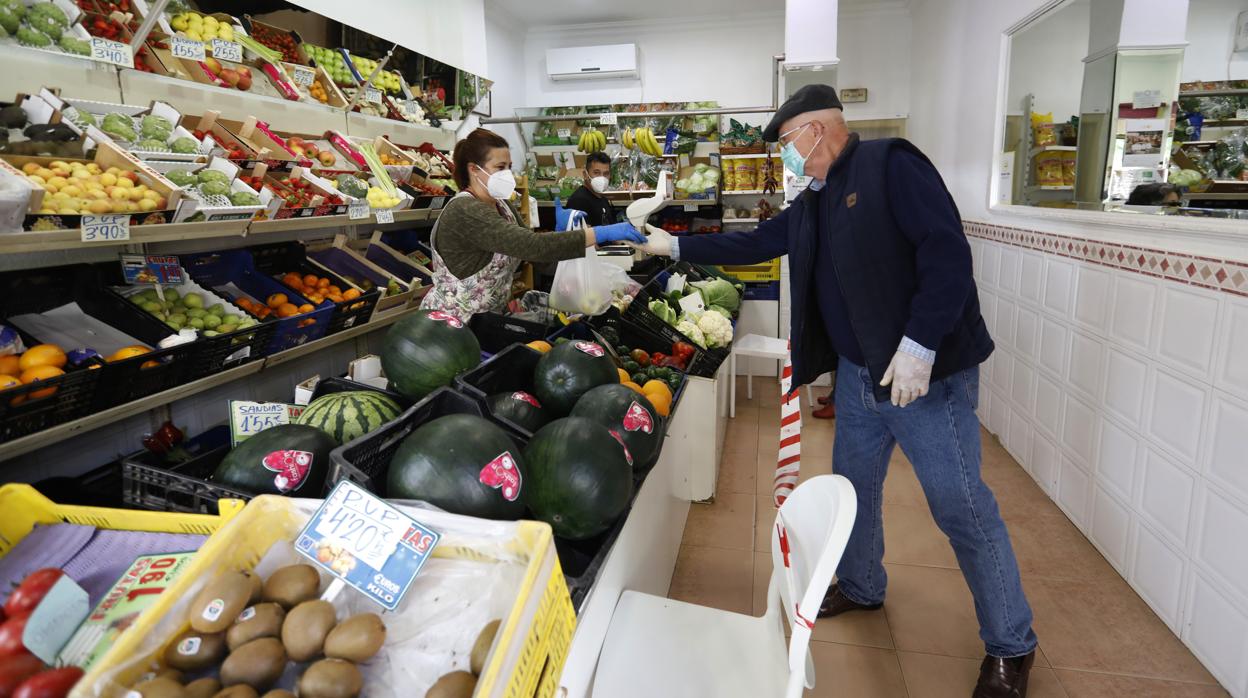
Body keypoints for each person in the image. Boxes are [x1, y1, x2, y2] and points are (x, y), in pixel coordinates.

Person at [636, 85, 1037, 698]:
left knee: (961, 507)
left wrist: (921, 344)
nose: (785, 158)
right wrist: (676, 244)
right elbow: (757, 242)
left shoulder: (890, 166)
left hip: (921, 376)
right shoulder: (818, 199)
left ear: (816, 131)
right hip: (858, 376)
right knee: (855, 488)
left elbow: (947, 255)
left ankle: (1012, 643)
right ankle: (862, 584)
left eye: (788, 144)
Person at [421, 128, 644, 321]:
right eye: (500, 167)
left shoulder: (502, 206)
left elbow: (534, 255)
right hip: (453, 323)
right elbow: (531, 244)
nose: (508, 174)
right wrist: (600, 233)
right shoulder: (465, 210)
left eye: (509, 166)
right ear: (474, 169)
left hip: (489, 319)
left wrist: (586, 276)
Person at [565, 151, 618, 227]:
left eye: (606, 173)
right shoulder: (578, 201)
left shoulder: (602, 198)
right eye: (596, 173)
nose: (602, 178)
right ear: (585, 175)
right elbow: (583, 235)